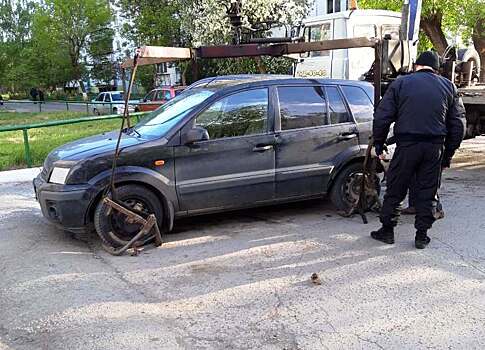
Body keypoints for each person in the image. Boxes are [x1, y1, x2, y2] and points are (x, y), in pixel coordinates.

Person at [370, 51, 466, 249]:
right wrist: (448, 154)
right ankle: (421, 236)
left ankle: (387, 231)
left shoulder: (401, 83)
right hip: (434, 148)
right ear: (436, 68)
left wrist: (379, 144)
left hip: (407, 145)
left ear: (416, 65)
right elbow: (458, 125)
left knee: (396, 188)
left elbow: (382, 117)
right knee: (428, 192)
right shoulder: (448, 86)